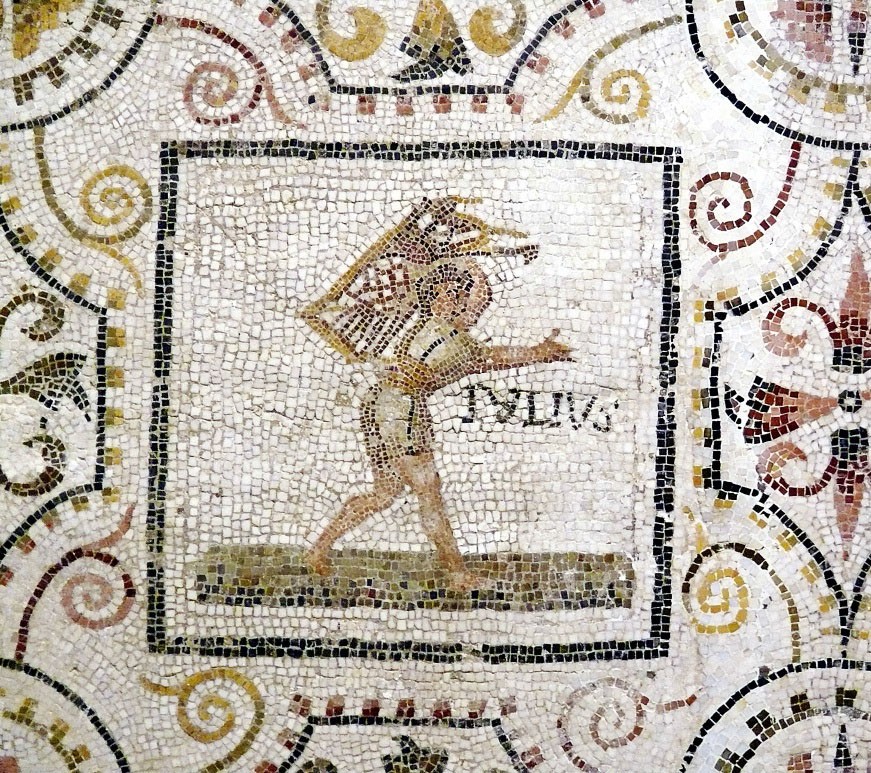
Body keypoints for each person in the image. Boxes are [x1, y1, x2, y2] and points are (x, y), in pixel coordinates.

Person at [306, 255, 572, 590]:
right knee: (428, 491)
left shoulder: (433, 328)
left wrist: (468, 268)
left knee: (385, 492)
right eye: (455, 296)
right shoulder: (454, 339)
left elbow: (483, 333)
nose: (468, 305)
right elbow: (492, 356)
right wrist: (540, 352)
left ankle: (318, 549)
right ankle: (457, 574)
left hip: (380, 403)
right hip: (402, 411)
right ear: (440, 300)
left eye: (464, 297)